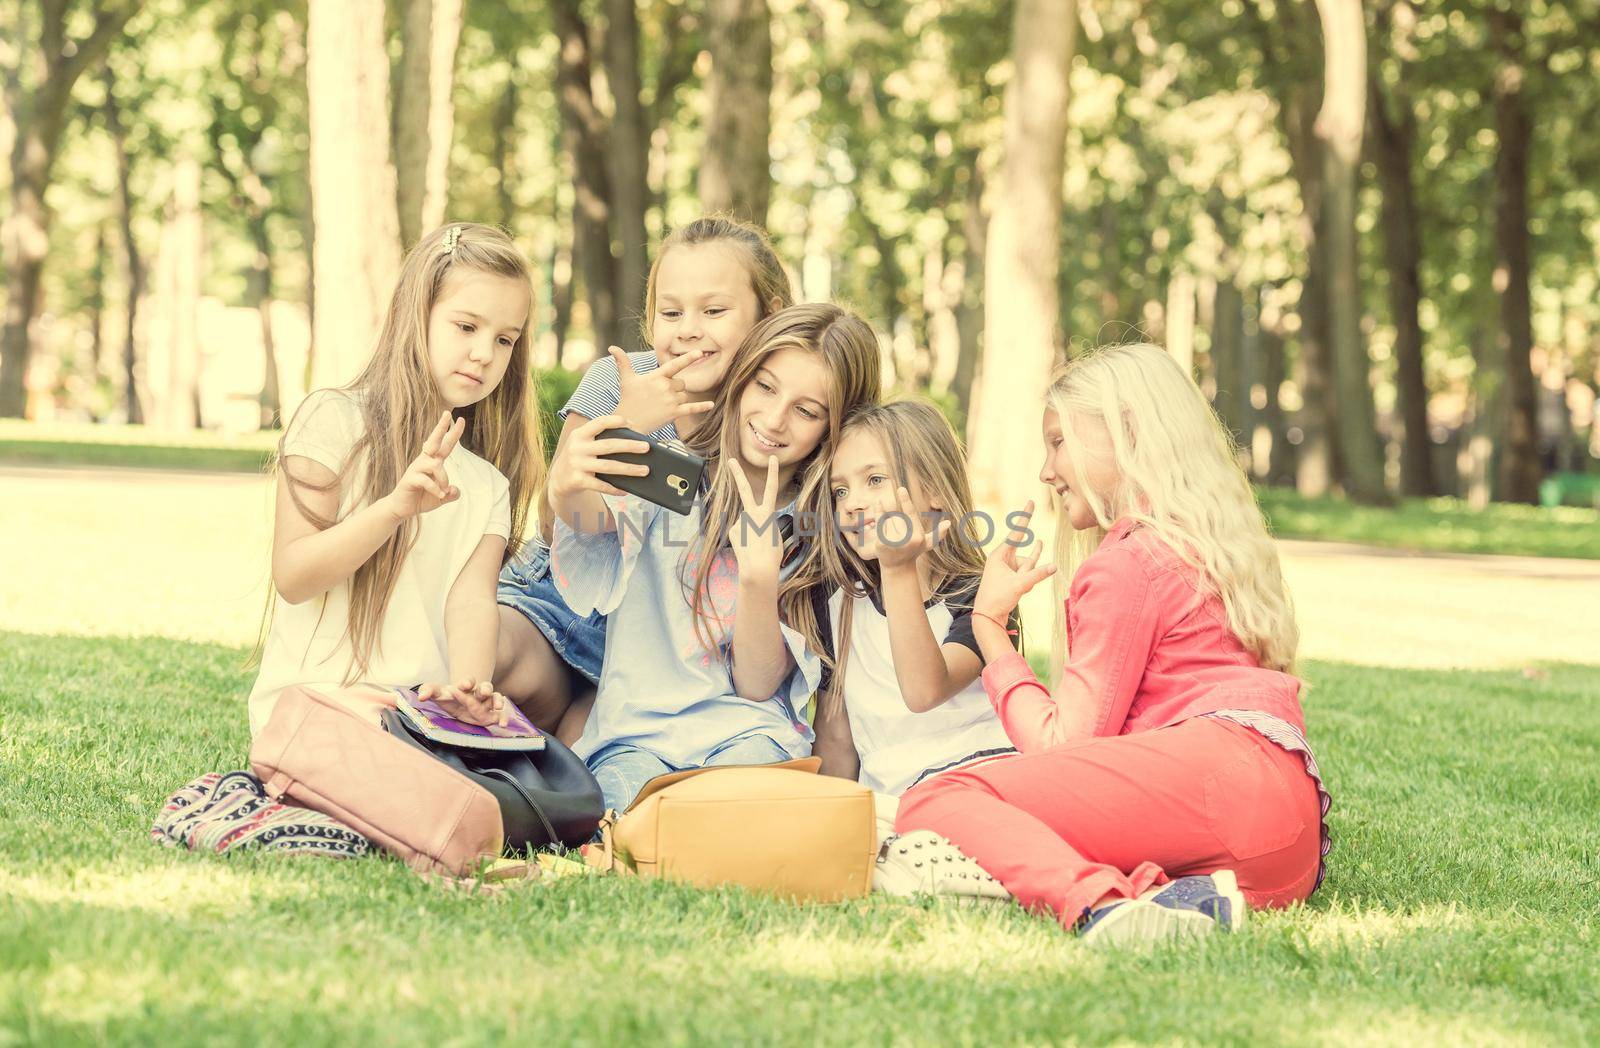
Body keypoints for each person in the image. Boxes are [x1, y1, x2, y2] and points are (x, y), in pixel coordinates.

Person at [894, 343, 1330, 946]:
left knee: (938, 798)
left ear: (1125, 435)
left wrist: (990, 624)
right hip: (1281, 847)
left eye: (1058, 442)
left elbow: (1060, 746)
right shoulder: (1204, 545)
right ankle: (1182, 905)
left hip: (1218, 788)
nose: (1046, 471)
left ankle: (1101, 906)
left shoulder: (1129, 560)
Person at [547, 303, 882, 812]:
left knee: (741, 818)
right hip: (638, 734)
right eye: (766, 388)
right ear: (741, 380)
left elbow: (756, 686)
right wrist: (565, 489)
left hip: (748, 734)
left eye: (806, 410)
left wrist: (759, 581)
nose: (773, 420)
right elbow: (587, 520)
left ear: (833, 429)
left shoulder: (814, 526)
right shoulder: (671, 474)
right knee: (623, 819)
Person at [493, 216, 794, 741]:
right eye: (671, 312)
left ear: (768, 316)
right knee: (485, 656)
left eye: (715, 311)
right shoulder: (619, 378)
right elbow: (551, 519)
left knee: (589, 767)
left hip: (661, 649)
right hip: (560, 609)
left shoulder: (767, 417)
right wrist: (630, 426)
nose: (688, 329)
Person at [248, 223, 542, 736]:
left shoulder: (486, 484)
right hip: (315, 712)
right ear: (417, 315)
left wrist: (470, 691)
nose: (484, 354)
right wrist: (394, 508)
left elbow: (470, 602)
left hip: (415, 721)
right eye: (466, 326)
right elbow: (294, 577)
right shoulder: (333, 421)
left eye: (504, 340)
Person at [811, 399, 1016, 798]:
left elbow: (924, 691)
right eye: (840, 490)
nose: (852, 502)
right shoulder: (839, 608)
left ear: (935, 489)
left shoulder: (981, 594)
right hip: (899, 804)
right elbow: (837, 743)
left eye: (874, 480)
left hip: (987, 780)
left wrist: (896, 568)